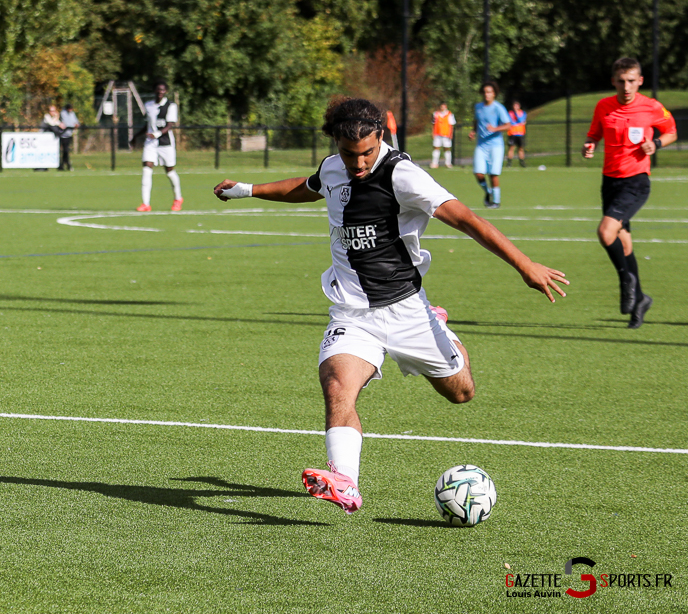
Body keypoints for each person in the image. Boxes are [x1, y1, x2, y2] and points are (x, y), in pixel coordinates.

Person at [212, 97, 567, 514]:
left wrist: (524, 265)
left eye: (366, 153)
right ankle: (346, 481)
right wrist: (247, 190)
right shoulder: (334, 167)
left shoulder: (403, 175)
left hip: (406, 310)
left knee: (461, 393)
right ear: (336, 144)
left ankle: (441, 327)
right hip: (351, 312)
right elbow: (307, 187)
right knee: (337, 385)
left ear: (380, 136)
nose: (358, 163)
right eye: (349, 154)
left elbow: (467, 219)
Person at [583, 57, 676, 329]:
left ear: (640, 81)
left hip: (636, 182)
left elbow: (671, 131)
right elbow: (594, 135)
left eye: (631, 81)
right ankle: (640, 301)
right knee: (623, 245)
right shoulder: (603, 106)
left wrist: (656, 143)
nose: (626, 87)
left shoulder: (652, 106)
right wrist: (589, 145)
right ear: (613, 81)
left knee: (605, 232)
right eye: (621, 81)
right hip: (609, 182)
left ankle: (627, 282)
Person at [137, 81, 182, 212]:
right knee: (146, 169)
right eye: (158, 89)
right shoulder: (148, 105)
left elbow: (169, 125)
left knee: (170, 171)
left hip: (165, 142)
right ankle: (145, 203)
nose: (160, 92)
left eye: (162, 90)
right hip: (150, 143)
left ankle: (178, 198)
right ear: (154, 90)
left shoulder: (170, 106)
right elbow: (148, 125)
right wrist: (135, 137)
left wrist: (156, 134)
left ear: (166, 91)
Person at [468, 82, 511, 208]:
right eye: (485, 92)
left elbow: (508, 125)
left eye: (489, 92)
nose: (487, 94)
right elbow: (476, 121)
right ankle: (488, 192)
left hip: (495, 146)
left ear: (494, 94)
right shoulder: (478, 107)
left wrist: (495, 129)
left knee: (493, 174)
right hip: (481, 145)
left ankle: (496, 201)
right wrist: (473, 131)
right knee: (478, 173)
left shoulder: (498, 108)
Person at [430, 102, 456, 169]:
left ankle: (448, 163)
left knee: (447, 148)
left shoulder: (450, 114)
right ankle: (434, 163)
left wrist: (451, 134)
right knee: (436, 148)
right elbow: (433, 124)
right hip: (437, 134)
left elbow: (451, 125)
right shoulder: (435, 114)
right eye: (441, 106)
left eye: (444, 106)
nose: (442, 108)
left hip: (446, 134)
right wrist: (432, 133)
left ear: (446, 107)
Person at [505, 101, 527, 167]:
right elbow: (510, 122)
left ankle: (522, 162)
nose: (516, 107)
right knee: (511, 148)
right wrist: (517, 123)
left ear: (519, 106)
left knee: (521, 148)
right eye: (514, 106)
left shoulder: (523, 113)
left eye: (517, 106)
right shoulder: (510, 113)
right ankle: (509, 163)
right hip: (513, 133)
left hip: (520, 133)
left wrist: (516, 115)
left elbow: (521, 120)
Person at [59, 103, 80, 171]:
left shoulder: (72, 114)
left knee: (66, 150)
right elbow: (66, 123)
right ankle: (66, 164)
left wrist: (76, 124)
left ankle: (63, 164)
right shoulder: (63, 113)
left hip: (69, 134)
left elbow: (76, 122)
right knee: (64, 150)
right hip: (62, 134)